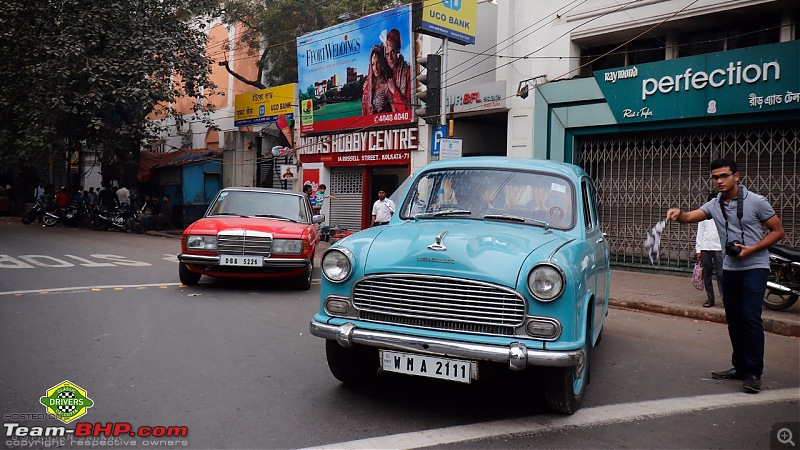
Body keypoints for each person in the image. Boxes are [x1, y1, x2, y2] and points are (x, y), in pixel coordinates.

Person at [666, 157, 784, 394]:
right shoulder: (714, 204)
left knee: (750, 318)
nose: (719, 181)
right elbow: (690, 217)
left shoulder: (757, 202)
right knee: (734, 319)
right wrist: (678, 214)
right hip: (730, 268)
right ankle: (740, 366)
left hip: (755, 267)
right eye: (715, 177)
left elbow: (778, 231)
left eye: (724, 176)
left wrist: (752, 249)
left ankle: (753, 373)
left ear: (736, 176)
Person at [696, 192, 724, 308]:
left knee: (721, 275)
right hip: (706, 248)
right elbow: (700, 232)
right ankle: (710, 299)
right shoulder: (704, 215)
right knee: (706, 274)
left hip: (719, 248)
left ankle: (725, 299)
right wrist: (698, 250)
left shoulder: (724, 214)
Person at [383, 29, 412, 112]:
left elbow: (408, 108)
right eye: (387, 54)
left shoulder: (408, 72)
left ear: (398, 51)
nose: (390, 58)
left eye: (392, 52)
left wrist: (394, 90)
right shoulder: (387, 76)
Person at [362, 45, 393, 115]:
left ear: (382, 64)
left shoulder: (388, 85)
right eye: (373, 64)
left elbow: (394, 111)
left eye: (378, 62)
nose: (375, 67)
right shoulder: (367, 87)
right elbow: (364, 113)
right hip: (369, 125)